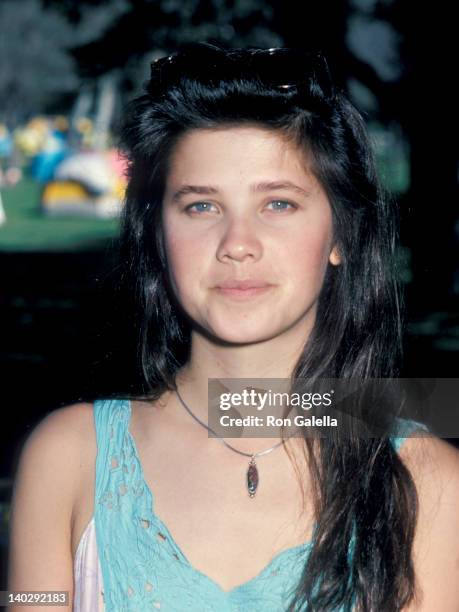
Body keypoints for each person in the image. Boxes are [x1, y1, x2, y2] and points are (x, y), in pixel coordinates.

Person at [7, 42, 459, 612]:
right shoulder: (67, 457)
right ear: (158, 234)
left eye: (278, 204)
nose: (237, 245)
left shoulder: (429, 483)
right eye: (201, 206)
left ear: (341, 235)